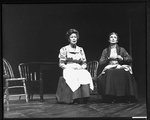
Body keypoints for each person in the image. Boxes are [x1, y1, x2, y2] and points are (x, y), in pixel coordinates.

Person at [97, 32, 138, 103]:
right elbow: (101, 62)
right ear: (109, 40)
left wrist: (122, 58)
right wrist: (108, 58)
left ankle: (127, 96)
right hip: (110, 67)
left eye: (115, 37)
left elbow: (130, 59)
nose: (113, 39)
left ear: (117, 40)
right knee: (109, 73)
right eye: (111, 37)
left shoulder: (121, 50)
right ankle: (110, 97)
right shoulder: (106, 51)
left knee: (126, 73)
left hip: (119, 66)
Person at [56, 29, 94, 104]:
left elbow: (84, 63)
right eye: (72, 37)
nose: (74, 39)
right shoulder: (64, 49)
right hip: (68, 68)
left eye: (75, 37)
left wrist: (82, 67)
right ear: (69, 39)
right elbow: (61, 63)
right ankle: (75, 97)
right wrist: (68, 67)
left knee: (85, 73)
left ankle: (84, 97)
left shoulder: (80, 49)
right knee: (72, 75)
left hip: (79, 68)